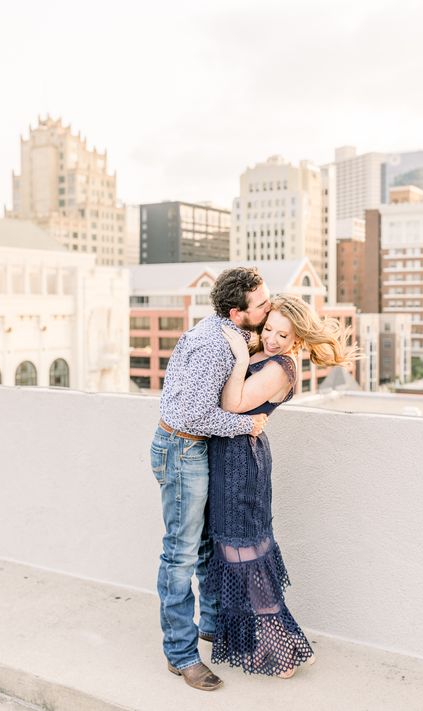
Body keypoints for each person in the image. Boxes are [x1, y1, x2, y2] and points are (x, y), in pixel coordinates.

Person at [205, 294, 355, 678]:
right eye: (268, 328)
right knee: (234, 552)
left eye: (281, 334)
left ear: (297, 340)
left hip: (242, 461)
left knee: (246, 555)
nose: (271, 338)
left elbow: (234, 403)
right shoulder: (258, 352)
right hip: (227, 457)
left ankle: (283, 651)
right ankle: (271, 645)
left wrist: (239, 359)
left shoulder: (281, 367)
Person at [150, 267, 271, 691]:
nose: (269, 307)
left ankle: (211, 629)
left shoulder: (226, 333)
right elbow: (194, 415)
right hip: (182, 448)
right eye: (261, 304)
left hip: (193, 447)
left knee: (204, 546)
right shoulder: (217, 347)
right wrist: (247, 424)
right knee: (181, 554)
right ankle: (181, 654)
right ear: (237, 312)